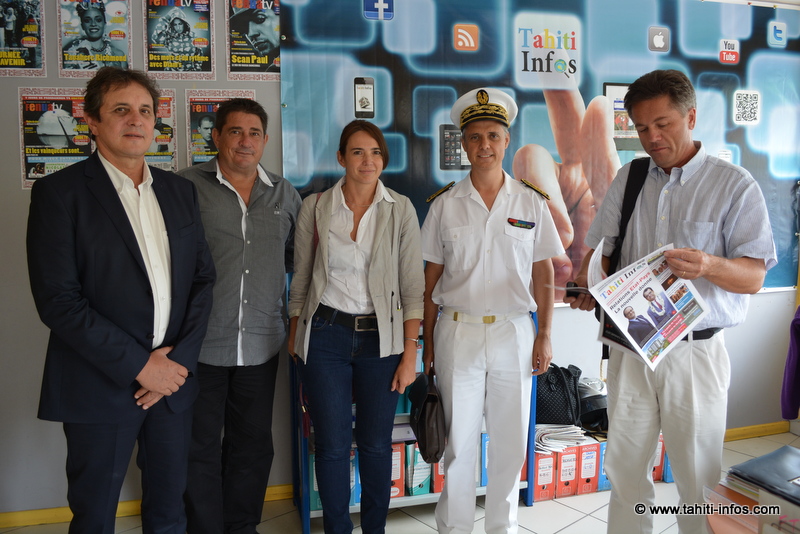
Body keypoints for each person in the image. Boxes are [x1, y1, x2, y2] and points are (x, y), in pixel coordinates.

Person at [565, 69, 776, 534]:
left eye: (663, 124)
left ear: (691, 117)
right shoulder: (631, 177)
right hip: (631, 347)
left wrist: (709, 265)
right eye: (642, 128)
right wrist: (585, 284)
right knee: (624, 470)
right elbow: (600, 251)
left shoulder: (734, 185)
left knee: (698, 476)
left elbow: (755, 277)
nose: (652, 138)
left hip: (694, 353)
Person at [26, 67, 215, 533]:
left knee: (169, 512)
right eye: (121, 110)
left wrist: (176, 365)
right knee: (94, 515)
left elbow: (202, 280)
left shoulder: (180, 191)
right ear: (92, 120)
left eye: (145, 111)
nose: (136, 120)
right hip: (98, 384)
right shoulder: (59, 193)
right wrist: (141, 366)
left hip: (172, 385)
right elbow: (58, 301)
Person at [421, 88, 563, 534]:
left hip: (514, 332)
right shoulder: (444, 205)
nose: (485, 145)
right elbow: (429, 282)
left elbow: (544, 273)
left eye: (494, 136)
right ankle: (455, 528)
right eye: (475, 136)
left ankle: (502, 528)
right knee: (459, 445)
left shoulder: (531, 201)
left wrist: (545, 334)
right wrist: (426, 343)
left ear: (506, 141)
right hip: (457, 333)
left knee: (510, 444)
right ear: (463, 144)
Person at [288, 120, 424, 534]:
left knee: (375, 444)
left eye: (376, 152)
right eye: (358, 152)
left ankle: (374, 529)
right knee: (331, 446)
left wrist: (410, 353)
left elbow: (412, 288)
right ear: (341, 158)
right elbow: (301, 278)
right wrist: (295, 335)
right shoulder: (316, 207)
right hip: (324, 335)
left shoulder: (400, 208)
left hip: (382, 341)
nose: (368, 161)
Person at [178, 98, 301, 534]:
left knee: (252, 445)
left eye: (254, 133)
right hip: (199, 345)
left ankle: (242, 527)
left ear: (265, 140)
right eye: (235, 131)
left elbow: (295, 259)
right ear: (216, 136)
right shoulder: (185, 187)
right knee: (198, 447)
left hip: (261, 343)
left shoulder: (285, 194)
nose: (245, 141)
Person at [62, 1, 126, 70]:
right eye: (87, 21)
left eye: (98, 20)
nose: (93, 24)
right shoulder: (73, 54)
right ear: (82, 26)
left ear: (104, 24)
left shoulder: (118, 55)